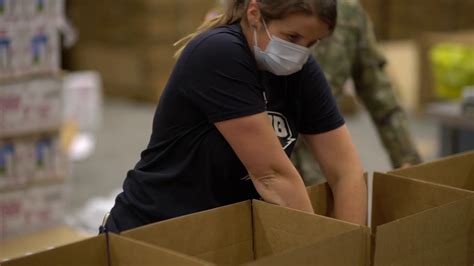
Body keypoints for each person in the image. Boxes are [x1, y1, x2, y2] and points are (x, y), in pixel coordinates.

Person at [103, 0, 367, 233]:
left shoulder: (303, 71)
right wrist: (320, 252)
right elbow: (273, 176)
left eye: (311, 43)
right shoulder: (219, 52)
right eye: (292, 37)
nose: (299, 53)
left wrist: (352, 248)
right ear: (254, 13)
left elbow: (346, 173)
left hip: (225, 234)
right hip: (156, 229)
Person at [291, 0, 422, 185]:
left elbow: (379, 92)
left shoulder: (348, 13)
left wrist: (407, 159)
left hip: (321, 165)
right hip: (260, 162)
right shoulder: (263, 7)